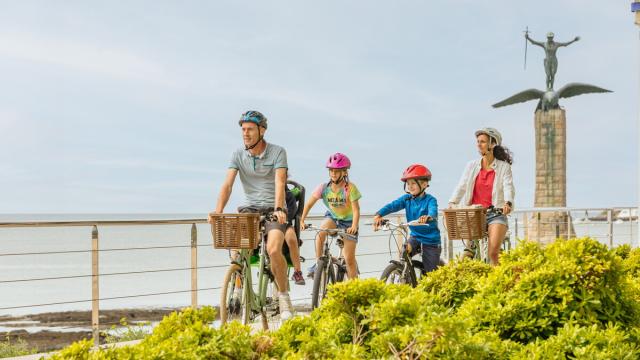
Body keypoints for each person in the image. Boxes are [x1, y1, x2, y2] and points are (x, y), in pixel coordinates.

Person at [208, 110, 294, 319]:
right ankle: (237, 289)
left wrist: (279, 209)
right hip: (248, 209)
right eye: (243, 130)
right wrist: (218, 210)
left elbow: (279, 182)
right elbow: (228, 184)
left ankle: (283, 298)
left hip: (272, 209)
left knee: (274, 249)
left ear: (262, 130)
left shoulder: (277, 152)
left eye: (250, 129)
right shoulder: (237, 155)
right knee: (238, 247)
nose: (245, 133)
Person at [448, 127, 515, 266]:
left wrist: (508, 203)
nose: (479, 144)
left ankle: (498, 282)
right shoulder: (471, 166)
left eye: (483, 141)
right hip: (474, 214)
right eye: (478, 141)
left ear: (492, 144)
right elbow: (462, 185)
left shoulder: (504, 167)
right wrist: (452, 202)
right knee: (467, 256)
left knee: (493, 253)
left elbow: (508, 186)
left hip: (496, 213)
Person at [299, 153, 361, 280]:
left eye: (336, 171)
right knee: (321, 232)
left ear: (344, 172)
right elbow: (309, 204)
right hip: (333, 218)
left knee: (349, 260)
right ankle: (318, 264)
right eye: (331, 170)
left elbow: (356, 210)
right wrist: (302, 220)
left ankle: (354, 287)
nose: (333, 173)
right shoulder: (323, 188)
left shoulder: (350, 188)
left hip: (349, 223)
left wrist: (354, 226)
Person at [372, 164, 442, 274]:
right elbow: (392, 205)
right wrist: (379, 215)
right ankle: (406, 276)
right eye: (408, 183)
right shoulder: (407, 199)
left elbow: (433, 211)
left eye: (413, 183)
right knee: (404, 252)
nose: (410, 186)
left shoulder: (430, 200)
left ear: (424, 184)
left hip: (430, 240)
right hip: (415, 237)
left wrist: (428, 217)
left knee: (431, 274)